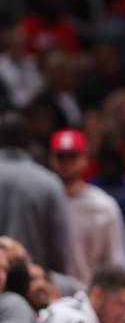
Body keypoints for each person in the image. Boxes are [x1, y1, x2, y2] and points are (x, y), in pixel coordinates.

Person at [49, 128, 125, 285]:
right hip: (52, 294)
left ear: (85, 158)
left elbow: (117, 262)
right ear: (51, 158)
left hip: (90, 297)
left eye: (72, 157)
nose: (66, 163)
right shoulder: (43, 201)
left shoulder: (103, 206)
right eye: (60, 157)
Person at [0, 111, 75, 274]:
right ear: (28, 140)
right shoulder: (49, 183)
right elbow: (60, 250)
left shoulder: (49, 183)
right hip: (34, 287)